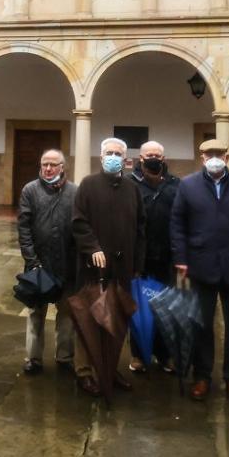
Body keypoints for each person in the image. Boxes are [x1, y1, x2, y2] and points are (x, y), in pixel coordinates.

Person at [171, 138, 229, 406]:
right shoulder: (188, 186)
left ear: (227, 157)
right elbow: (177, 223)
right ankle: (202, 376)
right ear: (201, 158)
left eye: (219, 154)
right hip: (202, 265)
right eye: (209, 154)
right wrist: (181, 257)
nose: (214, 158)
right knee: (202, 324)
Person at [71, 137, 146, 397]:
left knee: (116, 321)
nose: (113, 156)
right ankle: (84, 372)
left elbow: (140, 228)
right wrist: (93, 248)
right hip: (93, 268)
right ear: (101, 157)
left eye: (118, 153)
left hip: (122, 268)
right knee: (88, 318)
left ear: (126, 160)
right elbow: (78, 222)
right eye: (108, 152)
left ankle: (109, 368)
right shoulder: (88, 185)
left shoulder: (132, 188)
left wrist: (137, 263)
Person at [17, 149, 78, 375]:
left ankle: (64, 357)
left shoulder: (74, 191)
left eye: (53, 164)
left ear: (62, 167)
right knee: (35, 313)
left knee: (66, 315)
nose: (48, 168)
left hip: (66, 264)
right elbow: (24, 228)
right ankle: (33, 358)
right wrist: (31, 261)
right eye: (45, 164)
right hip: (38, 265)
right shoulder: (30, 190)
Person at [129, 140, 181, 373]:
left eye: (157, 155)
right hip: (141, 258)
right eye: (148, 154)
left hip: (167, 258)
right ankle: (139, 355)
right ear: (140, 158)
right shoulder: (130, 184)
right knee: (140, 309)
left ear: (163, 158)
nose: (153, 158)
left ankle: (165, 354)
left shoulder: (175, 185)